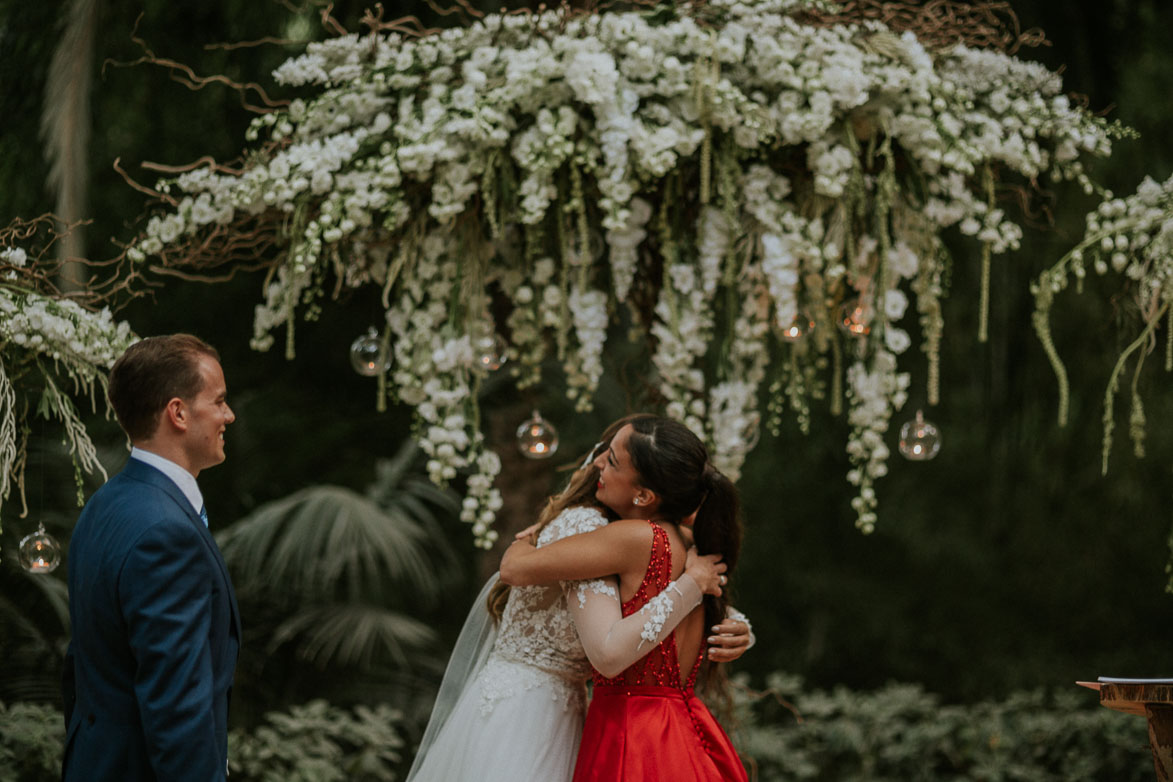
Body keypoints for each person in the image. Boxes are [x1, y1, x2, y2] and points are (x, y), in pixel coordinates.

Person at [405, 414, 753, 782]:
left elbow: (612, 641)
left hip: (592, 725)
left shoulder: (611, 532)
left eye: (612, 460)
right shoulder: (666, 538)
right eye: (604, 450)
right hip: (548, 717)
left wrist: (727, 616)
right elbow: (651, 605)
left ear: (644, 495)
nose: (597, 460)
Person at [62, 334, 240, 782]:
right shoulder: (166, 533)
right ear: (178, 413)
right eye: (218, 401)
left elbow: (80, 673)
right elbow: (178, 712)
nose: (228, 415)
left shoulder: (104, 506)